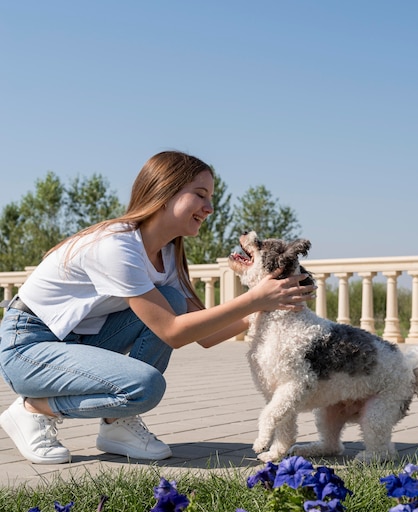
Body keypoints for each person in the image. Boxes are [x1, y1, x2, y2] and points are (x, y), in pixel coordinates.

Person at [0, 150, 315, 465]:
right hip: (28, 347)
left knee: (174, 301)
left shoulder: (167, 256)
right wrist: (257, 298)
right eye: (200, 195)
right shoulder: (116, 246)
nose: (210, 208)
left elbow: (204, 334)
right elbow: (173, 332)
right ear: (164, 192)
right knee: (145, 386)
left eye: (211, 197)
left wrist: (275, 306)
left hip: (73, 342)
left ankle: (115, 424)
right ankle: (32, 409)